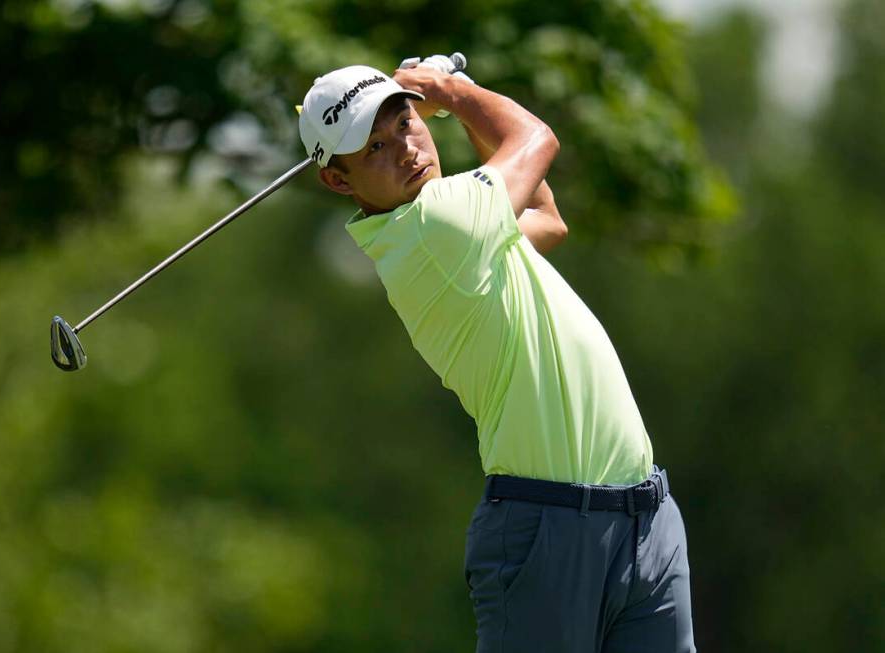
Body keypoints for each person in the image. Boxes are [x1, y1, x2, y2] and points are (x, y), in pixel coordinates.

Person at [297, 56, 696, 653]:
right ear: (338, 180)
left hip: (645, 514)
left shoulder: (462, 225)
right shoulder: (436, 226)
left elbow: (546, 217)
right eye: (374, 148)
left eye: (405, 122)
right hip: (548, 528)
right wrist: (455, 92)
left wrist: (455, 111)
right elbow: (536, 139)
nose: (405, 148)